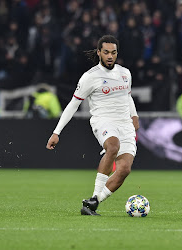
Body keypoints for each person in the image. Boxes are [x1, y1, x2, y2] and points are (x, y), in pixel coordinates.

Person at [46, 35, 139, 216]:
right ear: (99, 53)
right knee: (113, 147)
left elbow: (127, 96)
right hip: (103, 120)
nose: (110, 56)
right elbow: (73, 104)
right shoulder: (90, 77)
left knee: (124, 170)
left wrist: (134, 115)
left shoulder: (125, 73)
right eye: (106, 52)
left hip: (125, 124)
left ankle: (93, 202)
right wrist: (56, 132)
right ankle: (95, 195)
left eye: (113, 52)